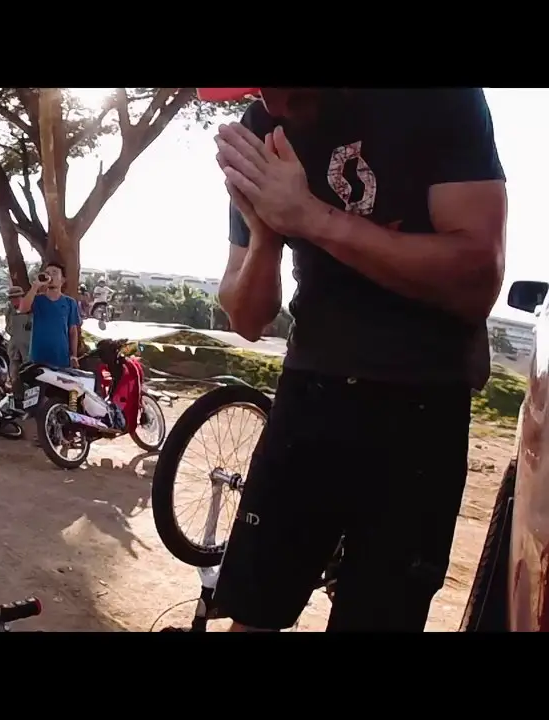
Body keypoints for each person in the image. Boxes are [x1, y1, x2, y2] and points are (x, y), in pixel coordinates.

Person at [207, 88, 506, 632]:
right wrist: (268, 236)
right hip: (311, 394)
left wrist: (310, 217)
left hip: (421, 402)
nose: (269, 103)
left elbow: (477, 278)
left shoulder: (438, 99)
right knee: (253, 612)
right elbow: (247, 318)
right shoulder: (262, 127)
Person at [18, 262, 81, 369]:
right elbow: (22, 308)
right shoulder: (37, 300)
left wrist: (74, 356)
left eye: (55, 273)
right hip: (38, 360)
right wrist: (35, 286)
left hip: (61, 359)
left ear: (63, 279)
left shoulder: (70, 303)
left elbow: (73, 331)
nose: (50, 276)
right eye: (47, 273)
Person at [4, 284, 33, 412]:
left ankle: (30, 403)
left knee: (29, 375)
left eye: (17, 297)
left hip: (28, 348)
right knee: (14, 375)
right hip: (14, 347)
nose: (14, 300)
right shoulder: (9, 310)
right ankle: (18, 401)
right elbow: (8, 328)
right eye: (12, 298)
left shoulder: (30, 308)